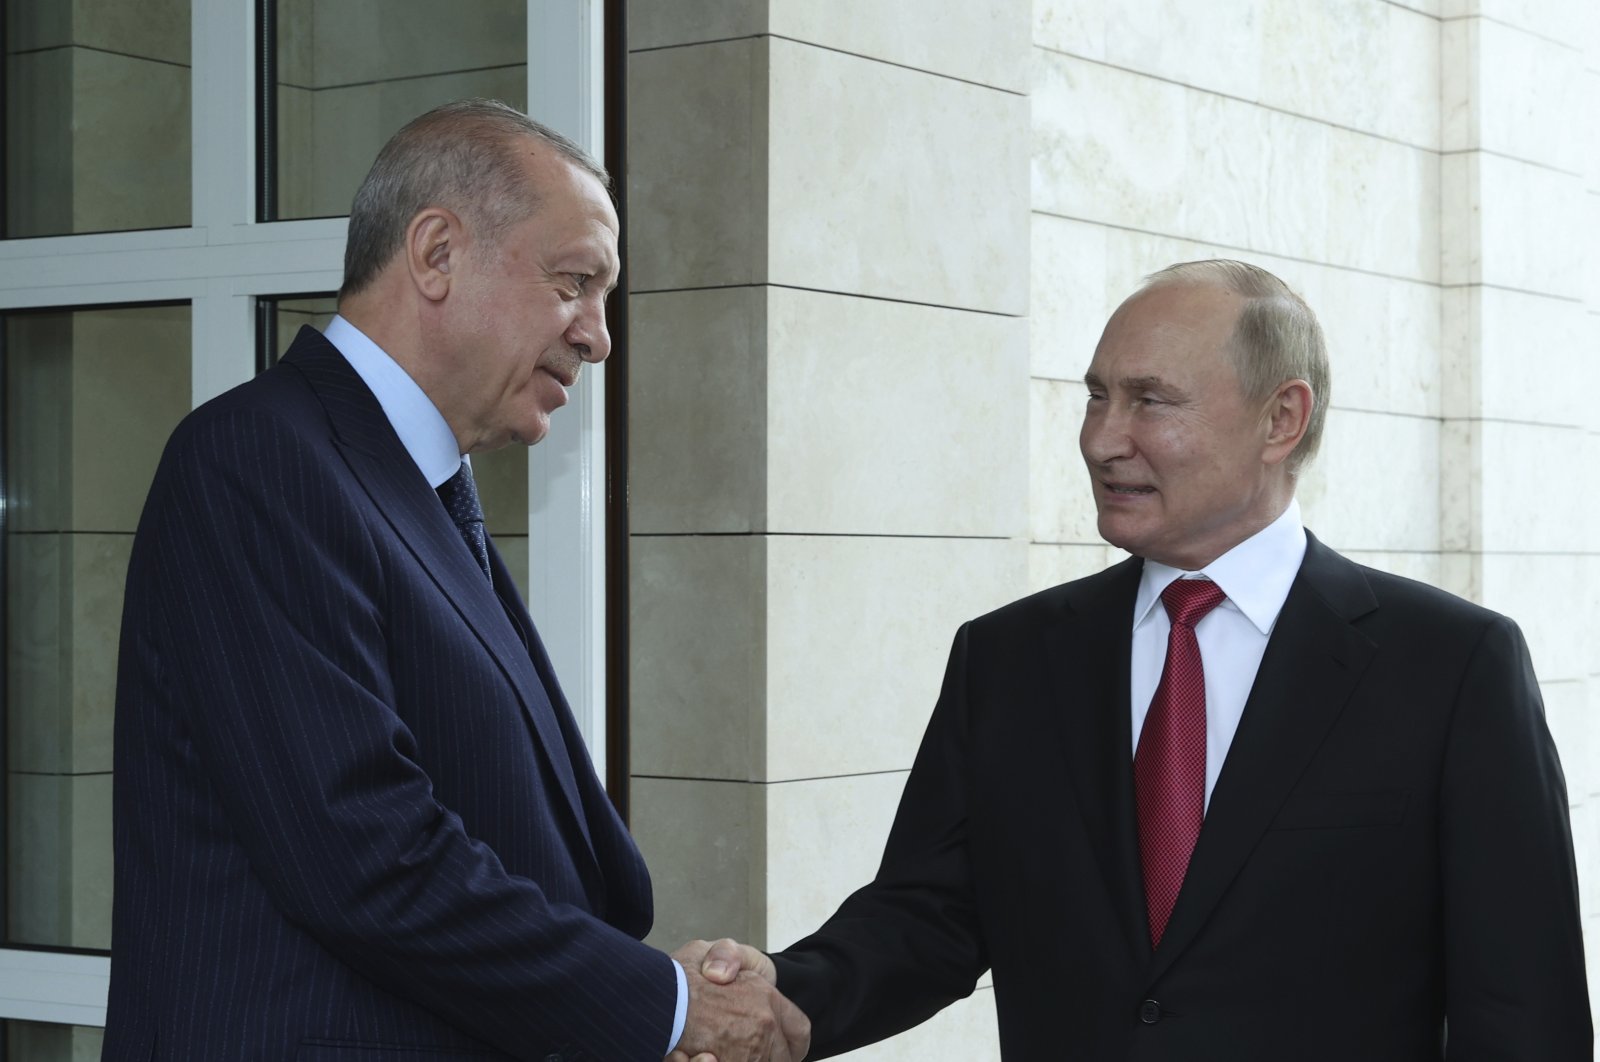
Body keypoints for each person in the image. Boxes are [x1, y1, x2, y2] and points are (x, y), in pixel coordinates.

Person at [689, 260, 1591, 1059]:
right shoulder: (1007, 658)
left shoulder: (1451, 666)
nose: (1100, 439)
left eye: (1149, 400)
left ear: (1282, 417)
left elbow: (1521, 1011)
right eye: (1095, 395)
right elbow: (932, 911)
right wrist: (787, 1001)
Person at [103, 99, 807, 1062]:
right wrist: (665, 1006)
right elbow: (367, 859)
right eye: (575, 283)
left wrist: (650, 991)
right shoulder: (258, 462)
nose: (598, 337)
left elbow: (502, 843)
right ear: (435, 254)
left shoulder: (413, 486)